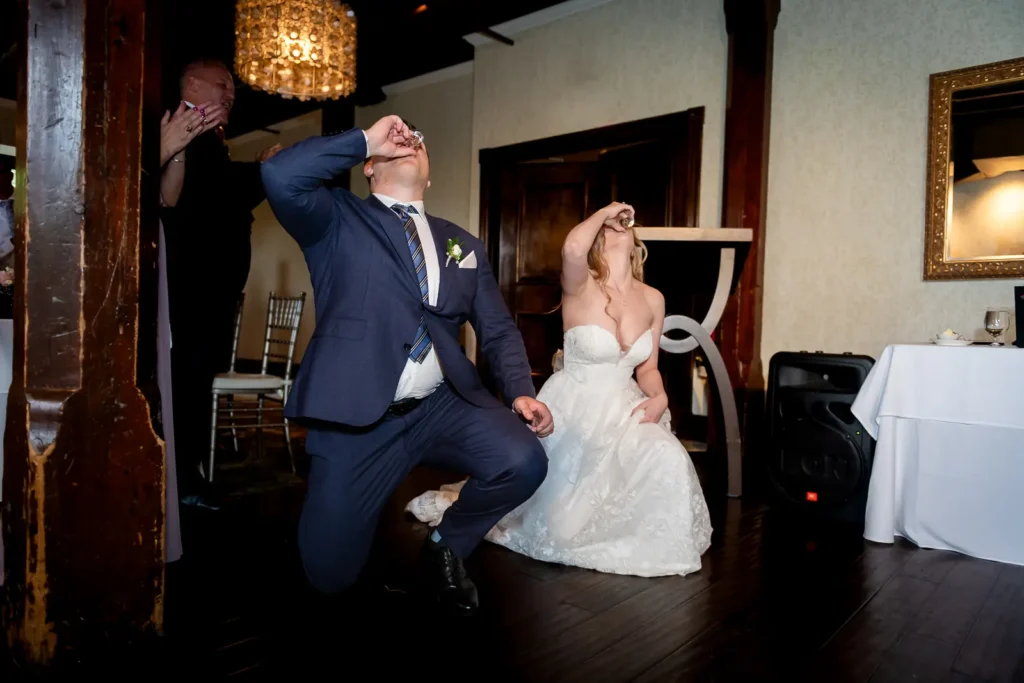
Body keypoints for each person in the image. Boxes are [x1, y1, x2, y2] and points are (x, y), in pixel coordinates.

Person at [260, 115, 554, 616]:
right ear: (368, 168)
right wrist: (368, 138)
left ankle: (444, 549)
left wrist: (520, 389)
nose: (408, 143)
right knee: (328, 576)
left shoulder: (463, 244)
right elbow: (280, 177)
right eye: (392, 146)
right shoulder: (334, 218)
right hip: (357, 419)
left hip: (441, 405)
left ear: (430, 175)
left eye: (417, 143)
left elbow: (498, 329)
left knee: (523, 460)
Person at [407, 202, 713, 577]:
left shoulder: (653, 299)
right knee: (560, 522)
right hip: (573, 407)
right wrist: (608, 211)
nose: (615, 229)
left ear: (637, 243)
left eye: (623, 226)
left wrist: (660, 397)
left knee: (667, 457)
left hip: (625, 408)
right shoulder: (580, 282)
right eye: (605, 228)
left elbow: (648, 368)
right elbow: (571, 248)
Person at [159, 58, 281, 510]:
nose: (232, 93)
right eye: (222, 84)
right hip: (192, 291)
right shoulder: (180, 133)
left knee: (194, 383)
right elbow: (217, 196)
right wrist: (266, 172)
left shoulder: (210, 141)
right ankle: (183, 478)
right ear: (192, 83)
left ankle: (186, 473)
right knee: (187, 384)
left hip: (208, 292)